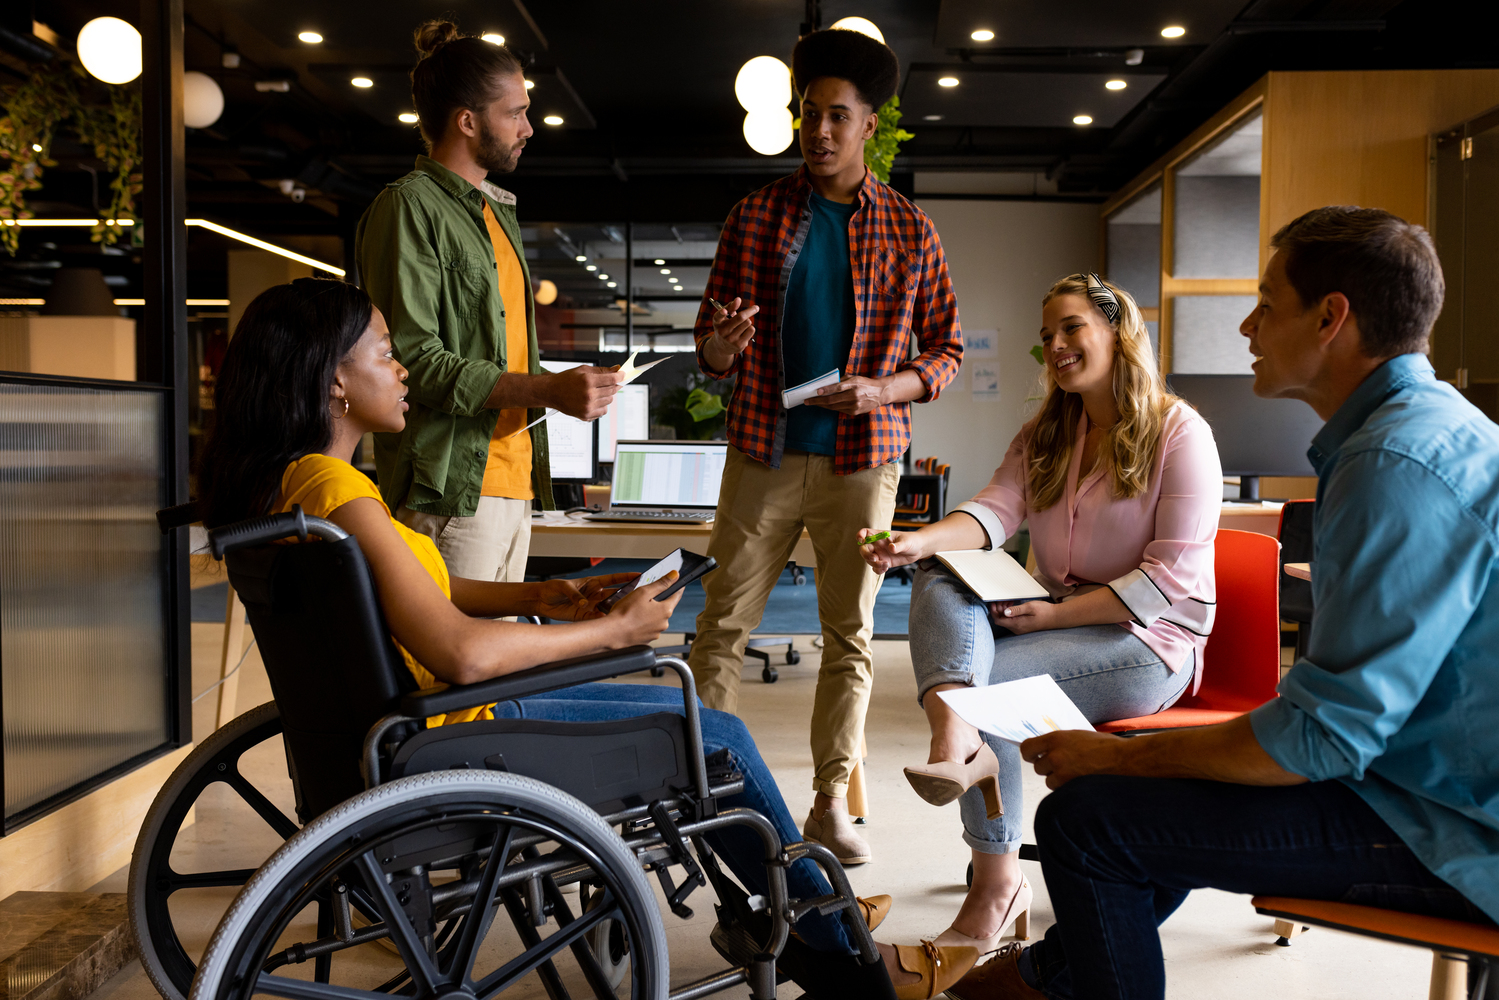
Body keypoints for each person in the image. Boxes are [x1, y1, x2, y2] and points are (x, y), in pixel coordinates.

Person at [196, 277, 981, 1000]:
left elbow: (419, 591)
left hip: (405, 731)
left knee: (696, 725)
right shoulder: (342, 492)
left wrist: (549, 596)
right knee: (720, 739)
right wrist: (610, 631)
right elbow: (461, 652)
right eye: (387, 354)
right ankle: (844, 959)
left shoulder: (297, 490)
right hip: (455, 735)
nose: (403, 371)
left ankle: (809, 919)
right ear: (334, 379)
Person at [946, 206, 1499, 1000]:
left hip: (1444, 825)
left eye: (1266, 303)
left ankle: (1044, 978)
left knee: (1087, 821)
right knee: (1138, 810)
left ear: (1330, 317)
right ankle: (1047, 977)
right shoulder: (1426, 429)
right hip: (1420, 781)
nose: (1246, 325)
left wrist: (1117, 754)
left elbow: (1318, 741)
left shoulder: (1388, 463)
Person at [860, 274, 1221, 960]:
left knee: (986, 693)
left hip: (1146, 640)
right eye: (1046, 336)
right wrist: (918, 541)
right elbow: (993, 511)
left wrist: (1048, 619)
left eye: (1071, 328)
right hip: (1056, 616)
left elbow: (1167, 581)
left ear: (1117, 331)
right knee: (938, 575)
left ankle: (994, 886)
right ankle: (953, 741)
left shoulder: (1179, 432)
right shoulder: (1047, 432)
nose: (1054, 345)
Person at [692, 27, 963, 867]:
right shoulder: (755, 215)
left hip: (864, 456)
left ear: (868, 125)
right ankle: (703, 789)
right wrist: (722, 348)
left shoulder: (910, 229)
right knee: (719, 627)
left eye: (835, 117)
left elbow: (945, 352)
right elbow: (708, 346)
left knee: (848, 634)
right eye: (807, 115)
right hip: (761, 449)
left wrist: (885, 387)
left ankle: (825, 804)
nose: (818, 132)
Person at [355, 20, 622, 585]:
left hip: (511, 480)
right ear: (467, 121)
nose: (528, 127)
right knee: (448, 667)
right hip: (449, 485)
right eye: (515, 112)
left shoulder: (495, 212)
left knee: (493, 667)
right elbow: (413, 360)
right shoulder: (409, 207)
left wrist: (558, 386)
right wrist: (548, 388)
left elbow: (496, 356)